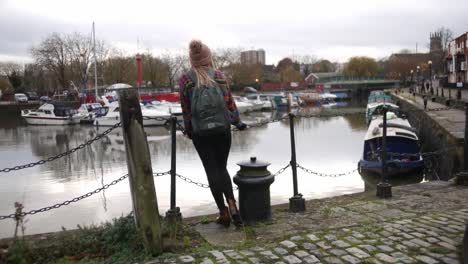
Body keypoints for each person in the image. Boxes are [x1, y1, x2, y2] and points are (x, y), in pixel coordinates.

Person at [179, 40, 246, 228]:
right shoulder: (219, 75)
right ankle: (233, 205)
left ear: (192, 60)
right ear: (209, 58)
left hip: (201, 133)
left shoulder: (185, 79)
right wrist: (238, 122)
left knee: (211, 170)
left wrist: (190, 130)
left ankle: (223, 212)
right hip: (222, 130)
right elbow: (229, 102)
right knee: (222, 168)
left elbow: (186, 110)